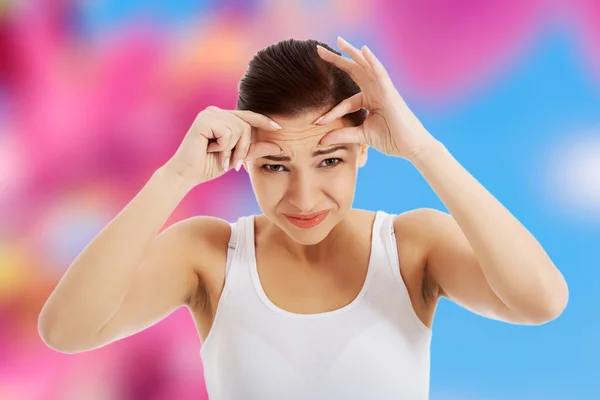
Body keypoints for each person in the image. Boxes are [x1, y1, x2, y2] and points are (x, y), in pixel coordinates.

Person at [38, 37, 569, 399]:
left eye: (329, 160)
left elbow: (541, 301)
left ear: (364, 148)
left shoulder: (411, 246)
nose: (303, 195)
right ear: (243, 159)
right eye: (274, 166)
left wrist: (423, 149)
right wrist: (174, 176)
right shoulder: (209, 256)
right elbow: (65, 331)